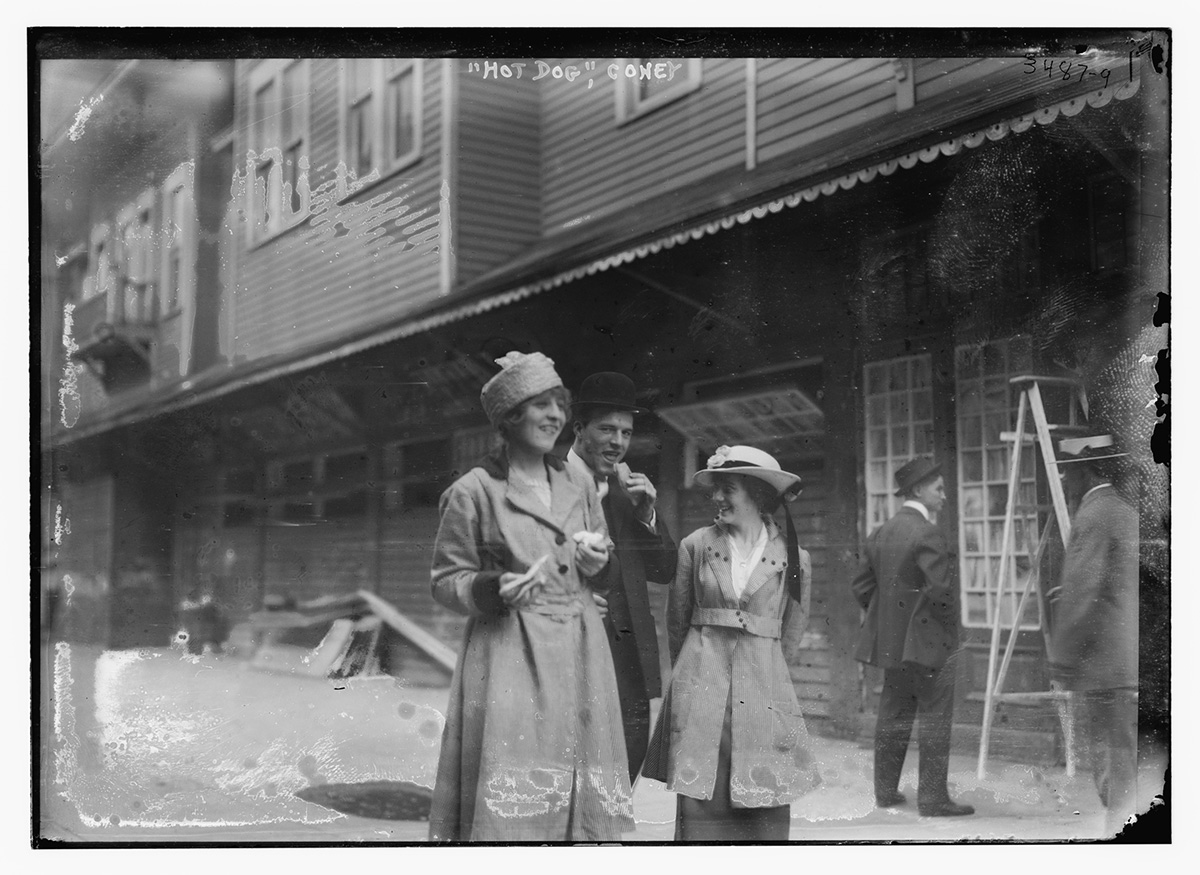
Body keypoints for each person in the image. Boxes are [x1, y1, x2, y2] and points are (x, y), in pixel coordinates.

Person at [427, 351, 635, 842]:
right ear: (509, 416)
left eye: (558, 405)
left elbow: (604, 558)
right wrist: (491, 588)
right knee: (517, 785)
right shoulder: (473, 491)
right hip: (509, 651)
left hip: (582, 647)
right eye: (539, 405)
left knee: (581, 784)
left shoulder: (578, 480)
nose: (555, 417)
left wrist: (599, 564)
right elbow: (445, 579)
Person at [643, 445, 821, 841]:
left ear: (758, 495)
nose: (716, 497)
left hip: (764, 691)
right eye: (715, 488)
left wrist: (768, 675)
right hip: (702, 686)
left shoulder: (795, 558)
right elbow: (678, 621)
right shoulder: (697, 545)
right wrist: (689, 679)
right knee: (700, 804)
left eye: (728, 488)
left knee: (765, 800)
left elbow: (790, 631)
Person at [566, 372, 677, 784]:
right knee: (572, 775)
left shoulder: (626, 489)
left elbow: (665, 571)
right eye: (606, 428)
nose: (617, 442)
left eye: (626, 432)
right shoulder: (549, 484)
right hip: (569, 648)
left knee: (623, 774)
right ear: (578, 429)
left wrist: (646, 512)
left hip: (629, 655)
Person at [851, 457, 974, 817]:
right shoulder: (927, 532)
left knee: (893, 714)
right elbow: (941, 592)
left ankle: (885, 792)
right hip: (929, 644)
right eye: (938, 488)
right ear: (918, 489)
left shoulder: (881, 531)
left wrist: (891, 616)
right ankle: (933, 799)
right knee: (935, 716)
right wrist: (952, 631)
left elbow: (861, 586)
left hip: (892, 645)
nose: (944, 496)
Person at [1048, 433, 1139, 836]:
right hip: (1126, 661)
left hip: (1105, 666)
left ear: (1088, 473)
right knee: (1124, 759)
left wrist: (1062, 663)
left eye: (1070, 473)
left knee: (1113, 764)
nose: (1065, 482)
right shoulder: (1121, 509)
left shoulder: (1094, 514)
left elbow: (1083, 596)